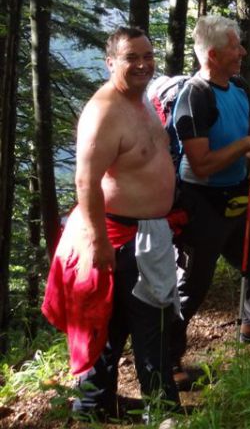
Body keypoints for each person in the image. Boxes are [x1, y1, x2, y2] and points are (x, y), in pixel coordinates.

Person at [42, 27, 180, 420]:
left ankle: (95, 403)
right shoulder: (104, 111)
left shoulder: (143, 101)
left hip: (145, 233)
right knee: (143, 324)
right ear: (110, 63)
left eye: (148, 56)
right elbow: (85, 180)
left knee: (116, 324)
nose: (142, 64)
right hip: (119, 236)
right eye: (131, 57)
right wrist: (100, 242)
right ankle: (160, 408)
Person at [169, 15, 250, 379]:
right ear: (212, 54)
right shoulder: (195, 96)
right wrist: (246, 145)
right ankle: (168, 360)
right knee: (192, 284)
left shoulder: (239, 87)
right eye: (234, 46)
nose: (242, 51)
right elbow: (202, 163)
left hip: (240, 193)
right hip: (201, 201)